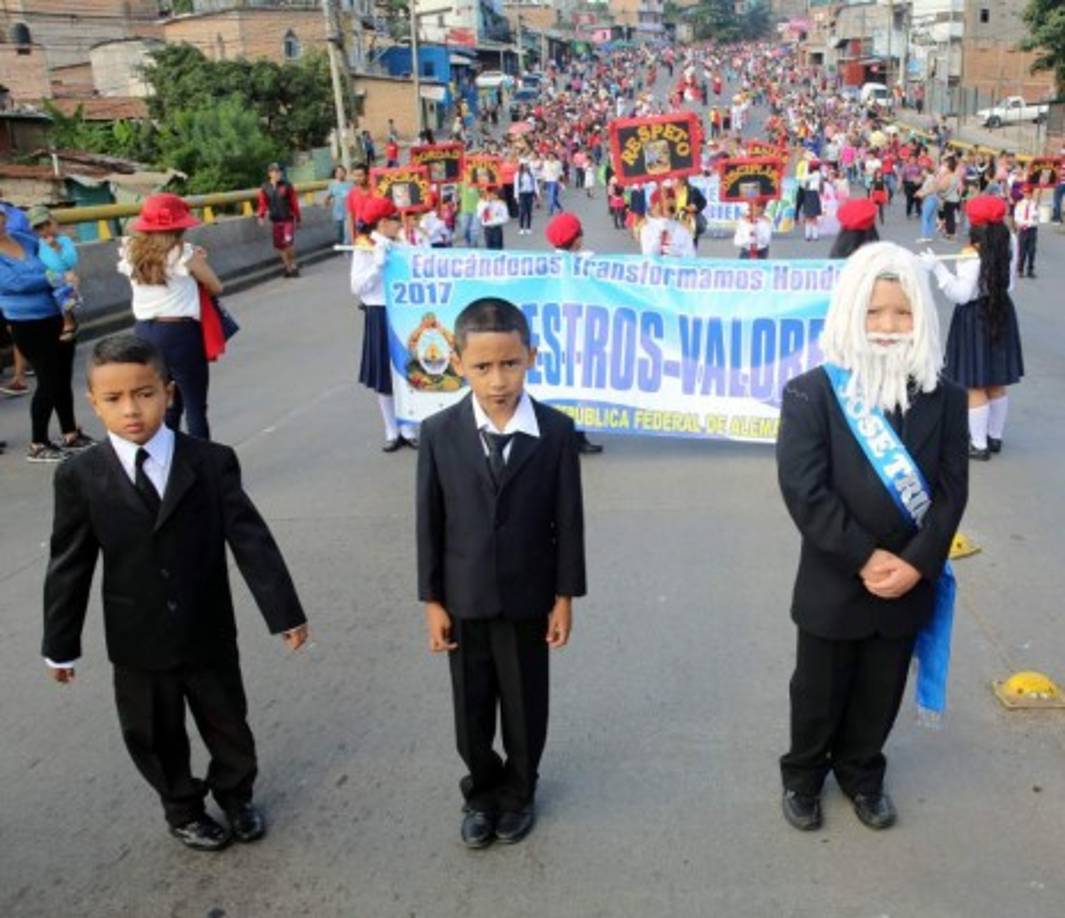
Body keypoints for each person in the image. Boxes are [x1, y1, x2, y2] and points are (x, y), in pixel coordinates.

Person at [42, 334, 309, 851]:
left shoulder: (210, 462)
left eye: (144, 393)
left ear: (168, 392)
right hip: (136, 637)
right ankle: (183, 808)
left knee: (227, 722)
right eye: (114, 399)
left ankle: (236, 795)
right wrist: (60, 643)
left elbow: (251, 540)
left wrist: (285, 614)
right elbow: (69, 564)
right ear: (93, 405)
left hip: (206, 627)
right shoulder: (80, 476)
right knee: (153, 733)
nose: (132, 410)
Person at [777, 242, 968, 833]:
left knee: (881, 689)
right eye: (875, 312)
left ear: (923, 319)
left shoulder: (947, 396)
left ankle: (863, 774)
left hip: (909, 578)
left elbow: (951, 493)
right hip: (836, 576)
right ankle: (804, 777)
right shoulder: (812, 392)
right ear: (850, 313)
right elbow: (805, 492)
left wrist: (916, 564)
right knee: (817, 688)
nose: (888, 326)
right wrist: (863, 557)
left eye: (903, 313)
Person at [416, 297, 586, 848]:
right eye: (483, 367)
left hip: (527, 599)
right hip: (463, 600)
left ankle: (519, 791)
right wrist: (432, 601)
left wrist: (564, 596)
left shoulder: (556, 432)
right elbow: (430, 522)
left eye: (510, 364)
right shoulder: (439, 433)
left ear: (531, 358)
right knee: (470, 711)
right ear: (458, 363)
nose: (497, 380)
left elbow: (569, 520)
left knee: (524, 706)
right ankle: (480, 792)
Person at [923, 195, 1023, 460]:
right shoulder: (1010, 241)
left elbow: (961, 294)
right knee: (996, 380)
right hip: (1002, 309)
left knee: (974, 383)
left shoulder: (970, 253)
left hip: (975, 315)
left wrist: (938, 270)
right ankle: (995, 437)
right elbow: (1010, 283)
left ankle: (978, 445)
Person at [119, 193, 223, 441]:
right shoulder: (183, 254)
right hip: (180, 333)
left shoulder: (131, 252)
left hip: (144, 333)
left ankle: (167, 459)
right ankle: (202, 462)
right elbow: (216, 286)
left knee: (166, 402)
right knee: (195, 405)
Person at [0, 204, 93, 461]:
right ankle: (38, 443)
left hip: (56, 313)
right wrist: (57, 278)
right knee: (47, 380)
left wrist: (60, 257)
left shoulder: (23, 238)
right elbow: (14, 284)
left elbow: (52, 257)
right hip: (27, 321)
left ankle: (70, 433)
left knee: (62, 376)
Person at [349, 195, 418, 451]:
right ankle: (392, 429)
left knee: (407, 370)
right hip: (378, 312)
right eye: (393, 219)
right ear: (381, 222)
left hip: (403, 312)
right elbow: (357, 287)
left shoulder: (398, 242)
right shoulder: (364, 247)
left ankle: (408, 427)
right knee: (383, 376)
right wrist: (377, 266)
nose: (398, 224)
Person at [544, 212, 605, 455]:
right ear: (577, 239)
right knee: (579, 386)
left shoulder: (546, 264)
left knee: (559, 384)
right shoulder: (588, 261)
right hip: (580, 332)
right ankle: (576, 436)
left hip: (554, 332)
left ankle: (560, 436)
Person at [28, 204, 82, 342]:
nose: (45, 230)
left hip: (64, 274)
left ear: (54, 222)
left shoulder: (64, 240)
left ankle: (69, 321)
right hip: (49, 275)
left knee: (63, 293)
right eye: (40, 228)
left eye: (47, 224)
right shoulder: (39, 243)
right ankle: (64, 319)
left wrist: (57, 247)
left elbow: (71, 261)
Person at [256, 163, 301, 278]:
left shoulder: (287, 185)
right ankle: (288, 268)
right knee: (280, 246)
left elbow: (294, 202)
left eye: (280, 171)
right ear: (270, 173)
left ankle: (294, 265)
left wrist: (298, 218)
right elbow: (262, 203)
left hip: (288, 220)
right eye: (275, 171)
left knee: (288, 243)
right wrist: (260, 216)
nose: (278, 173)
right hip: (276, 221)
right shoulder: (265, 187)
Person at [639, 187, 695, 258]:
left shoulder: (683, 229)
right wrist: (658, 239)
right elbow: (647, 254)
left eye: (672, 205)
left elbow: (691, 256)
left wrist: (677, 253)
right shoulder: (646, 228)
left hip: (676, 267)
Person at [1013, 184, 1038, 279]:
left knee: (1032, 251)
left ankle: (1030, 270)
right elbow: (1017, 217)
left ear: (1031, 194)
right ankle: (1020, 269)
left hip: (1032, 229)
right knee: (1022, 251)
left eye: (1029, 193)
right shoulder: (1020, 204)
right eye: (1025, 193)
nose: (1027, 195)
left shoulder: (1034, 204)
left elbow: (1036, 218)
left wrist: (1035, 214)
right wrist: (1021, 223)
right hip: (1023, 229)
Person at [324, 164, 354, 245]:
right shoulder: (332, 184)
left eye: (342, 172)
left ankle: (346, 246)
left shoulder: (351, 184)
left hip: (348, 213)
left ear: (345, 173)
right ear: (335, 174)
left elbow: (355, 196)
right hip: (338, 213)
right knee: (339, 231)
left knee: (347, 232)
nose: (340, 174)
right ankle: (341, 243)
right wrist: (326, 202)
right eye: (338, 172)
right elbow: (328, 196)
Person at [344, 162, 373, 244]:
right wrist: (353, 237)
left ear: (368, 176)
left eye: (360, 175)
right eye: (355, 176)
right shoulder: (352, 194)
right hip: (360, 235)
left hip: (376, 233)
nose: (357, 178)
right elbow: (350, 216)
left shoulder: (376, 191)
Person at [476, 186, 509, 250]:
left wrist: (494, 220)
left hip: (496, 228)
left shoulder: (500, 203)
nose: (490, 195)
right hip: (487, 229)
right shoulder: (481, 203)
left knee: (498, 248)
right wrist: (486, 203)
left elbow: (505, 218)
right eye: (488, 193)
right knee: (489, 248)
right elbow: (479, 215)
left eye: (493, 193)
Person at [515, 162, 539, 235]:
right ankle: (521, 228)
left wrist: (537, 194)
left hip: (529, 194)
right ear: (521, 166)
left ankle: (528, 228)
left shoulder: (531, 174)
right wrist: (516, 197)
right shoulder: (518, 174)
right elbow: (516, 186)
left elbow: (535, 184)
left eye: (527, 165)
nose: (526, 166)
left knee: (529, 211)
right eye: (524, 165)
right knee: (522, 211)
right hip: (522, 194)